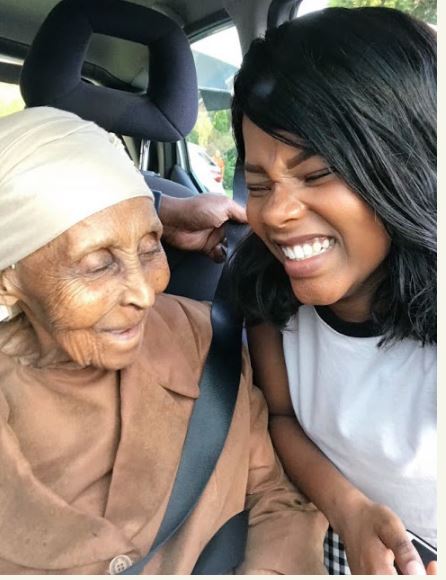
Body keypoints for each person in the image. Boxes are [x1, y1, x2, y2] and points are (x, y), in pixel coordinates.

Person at [0, 106, 329, 575]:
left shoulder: (203, 341)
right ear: (8, 281)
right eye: (97, 265)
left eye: (150, 247)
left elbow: (278, 497)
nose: (144, 292)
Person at [230, 6, 436, 576]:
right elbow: (281, 417)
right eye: (257, 184)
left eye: (317, 174)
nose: (276, 212)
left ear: (406, 166)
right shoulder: (267, 293)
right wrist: (348, 510)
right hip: (330, 523)